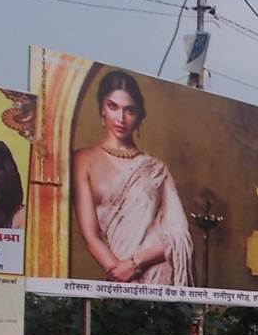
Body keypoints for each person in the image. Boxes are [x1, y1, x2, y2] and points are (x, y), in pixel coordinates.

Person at [73, 70, 194, 285]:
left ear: (139, 116)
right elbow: (90, 235)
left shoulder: (156, 168)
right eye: (113, 107)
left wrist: (136, 262)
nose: (121, 118)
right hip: (119, 275)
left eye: (130, 110)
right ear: (102, 107)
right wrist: (120, 273)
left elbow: (180, 235)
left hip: (159, 272)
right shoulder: (83, 159)